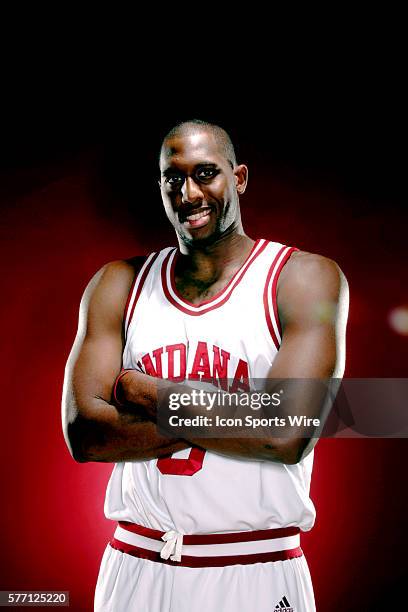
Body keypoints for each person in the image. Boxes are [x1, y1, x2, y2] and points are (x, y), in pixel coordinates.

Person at [62, 119, 349, 612]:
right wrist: (238, 414)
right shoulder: (119, 284)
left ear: (238, 178)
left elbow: (285, 435)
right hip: (136, 564)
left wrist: (142, 392)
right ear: (160, 186)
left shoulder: (301, 278)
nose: (189, 193)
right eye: (173, 178)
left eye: (206, 173)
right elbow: (85, 435)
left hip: (256, 566)